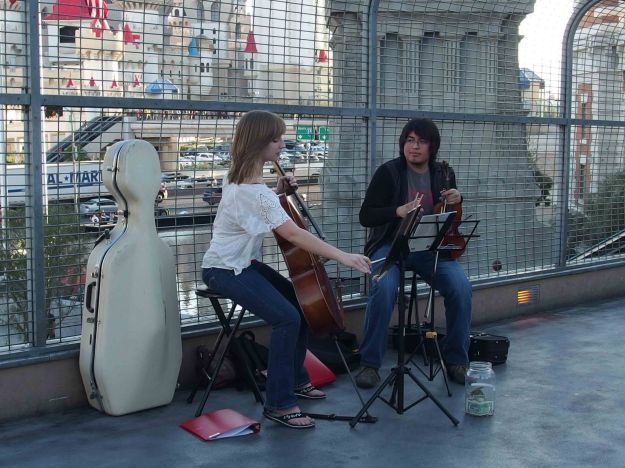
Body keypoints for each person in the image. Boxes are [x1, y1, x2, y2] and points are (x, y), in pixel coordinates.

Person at [202, 110, 371, 429]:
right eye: (276, 138)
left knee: (298, 308)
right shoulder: (252, 190)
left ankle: (294, 378)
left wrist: (279, 192)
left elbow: (257, 210)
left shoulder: (239, 179)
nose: (282, 144)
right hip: (222, 270)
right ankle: (279, 403)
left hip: (242, 265)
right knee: (287, 317)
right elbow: (293, 233)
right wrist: (343, 256)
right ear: (260, 142)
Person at [355, 118, 472, 388]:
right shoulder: (388, 172)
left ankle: (456, 359)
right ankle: (370, 364)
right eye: (409, 140)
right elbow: (366, 216)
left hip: (429, 248)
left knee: (461, 287)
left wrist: (458, 199)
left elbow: (450, 216)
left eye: (421, 142)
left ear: (433, 147)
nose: (414, 147)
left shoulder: (443, 173)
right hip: (390, 245)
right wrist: (396, 211)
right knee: (383, 288)